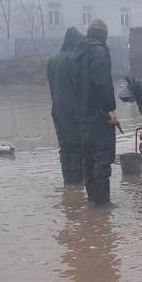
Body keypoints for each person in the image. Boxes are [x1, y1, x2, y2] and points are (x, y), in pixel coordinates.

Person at [76, 20, 119, 206]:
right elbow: (103, 82)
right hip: (98, 114)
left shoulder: (77, 53)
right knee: (102, 157)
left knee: (88, 158)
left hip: (82, 114)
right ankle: (103, 204)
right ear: (103, 36)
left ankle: (93, 198)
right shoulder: (99, 53)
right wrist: (110, 108)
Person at [46, 27, 85, 185]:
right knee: (77, 147)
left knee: (65, 147)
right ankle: (77, 185)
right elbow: (81, 88)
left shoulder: (52, 61)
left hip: (57, 110)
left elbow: (51, 86)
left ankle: (67, 183)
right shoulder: (75, 60)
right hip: (73, 112)